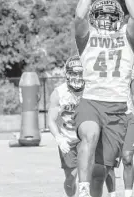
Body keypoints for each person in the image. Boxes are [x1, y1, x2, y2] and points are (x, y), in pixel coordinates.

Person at [74, 0, 134, 197]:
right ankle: (81, 190)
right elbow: (79, 14)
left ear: (118, 18)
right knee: (89, 135)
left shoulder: (127, 37)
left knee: (105, 169)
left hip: (118, 107)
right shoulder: (87, 37)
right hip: (91, 101)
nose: (105, 19)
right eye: (101, 15)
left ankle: (95, 190)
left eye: (110, 16)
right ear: (95, 17)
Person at [48, 55, 85, 197]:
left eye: (80, 73)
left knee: (86, 174)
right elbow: (51, 120)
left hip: (84, 138)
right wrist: (58, 138)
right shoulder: (59, 93)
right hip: (67, 138)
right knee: (71, 177)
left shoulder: (90, 90)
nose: (77, 76)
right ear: (67, 74)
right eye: (73, 73)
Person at [105, 66, 134, 197]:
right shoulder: (102, 64)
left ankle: (128, 195)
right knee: (108, 162)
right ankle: (112, 195)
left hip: (127, 117)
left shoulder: (130, 67)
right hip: (108, 118)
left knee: (127, 158)